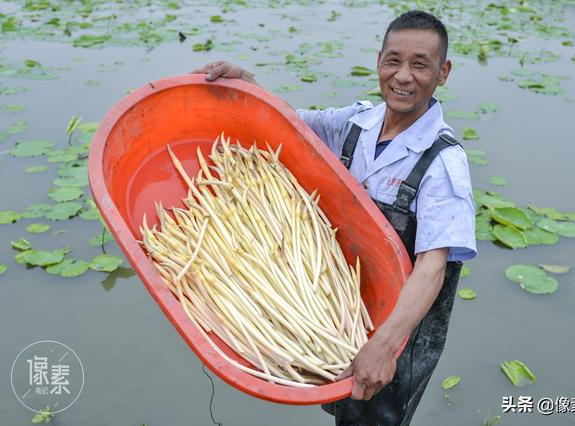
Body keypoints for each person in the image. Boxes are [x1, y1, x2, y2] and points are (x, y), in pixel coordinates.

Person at [193, 10, 477, 426]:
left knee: (375, 417)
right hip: (335, 304)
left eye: (420, 64)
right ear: (378, 59)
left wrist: (383, 345)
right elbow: (285, 123)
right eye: (393, 60)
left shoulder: (443, 162)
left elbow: (432, 268)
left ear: (443, 72)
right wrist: (246, 82)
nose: (402, 76)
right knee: (342, 403)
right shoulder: (356, 123)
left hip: (401, 329)